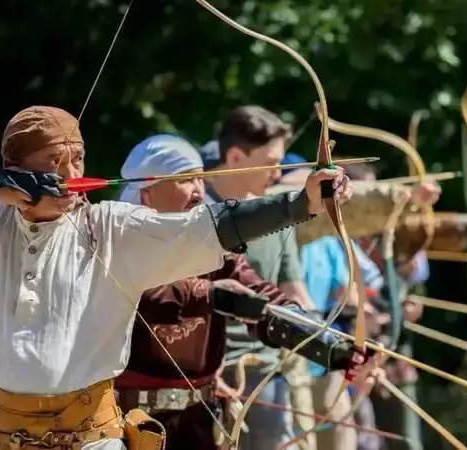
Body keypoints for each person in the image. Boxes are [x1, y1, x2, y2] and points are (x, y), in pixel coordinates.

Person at [0, 105, 353, 450]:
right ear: (15, 176)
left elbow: (211, 226)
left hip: (94, 438)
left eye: (76, 160)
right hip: (2, 437)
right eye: (49, 168)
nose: (69, 175)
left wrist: (304, 202)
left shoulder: (110, 226)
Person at [115, 134, 381, 450]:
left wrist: (333, 347)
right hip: (128, 422)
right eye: (187, 179)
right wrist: (213, 295)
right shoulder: (115, 240)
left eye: (201, 178)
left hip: (198, 419)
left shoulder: (210, 247)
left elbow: (263, 297)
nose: (199, 192)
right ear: (147, 194)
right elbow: (147, 294)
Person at [293, 159, 440, 450]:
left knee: (345, 439)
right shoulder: (293, 231)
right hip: (296, 358)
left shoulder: (332, 241)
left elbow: (352, 290)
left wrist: (374, 319)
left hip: (329, 359)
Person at [199, 106, 318, 450]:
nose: (279, 172)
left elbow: (294, 293)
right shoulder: (194, 216)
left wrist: (336, 342)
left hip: (268, 373)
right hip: (211, 376)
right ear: (236, 156)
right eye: (271, 162)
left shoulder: (278, 214)